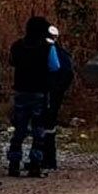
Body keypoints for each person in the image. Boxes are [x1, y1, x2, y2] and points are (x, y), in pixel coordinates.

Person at [7, 16, 58, 178]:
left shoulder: (17, 46)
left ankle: (14, 163)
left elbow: (12, 62)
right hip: (39, 92)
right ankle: (35, 164)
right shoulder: (47, 46)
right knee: (38, 131)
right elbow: (55, 66)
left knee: (19, 129)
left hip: (21, 91)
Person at [43, 25, 75, 170]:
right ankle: (49, 159)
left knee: (44, 126)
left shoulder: (52, 51)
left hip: (49, 93)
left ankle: (45, 159)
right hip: (53, 94)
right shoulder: (61, 52)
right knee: (49, 127)